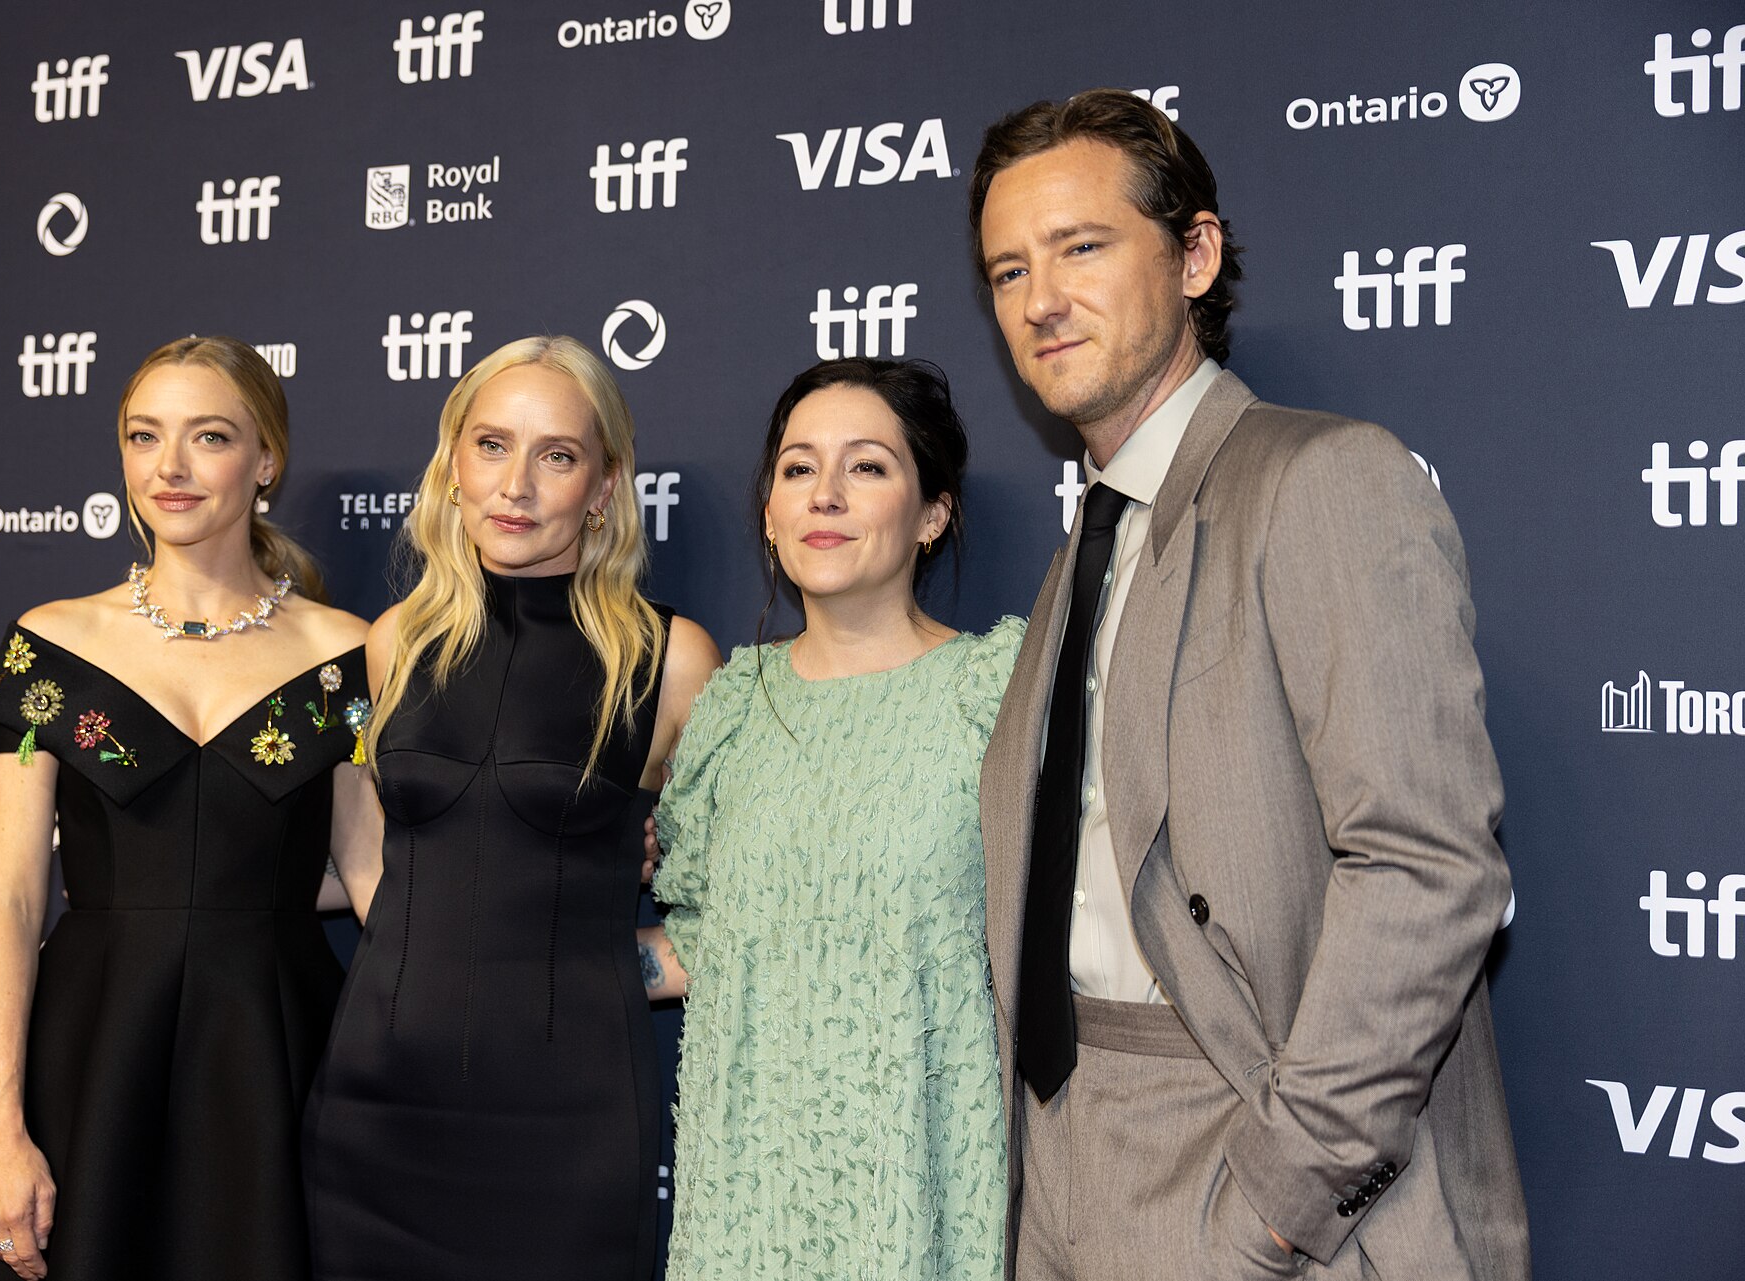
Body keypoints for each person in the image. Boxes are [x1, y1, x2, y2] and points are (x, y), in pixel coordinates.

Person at [969, 88, 1530, 1280]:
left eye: (1082, 247)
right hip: (1063, 1159)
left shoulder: (1326, 480)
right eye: (1008, 271)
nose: (1042, 300)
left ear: (1195, 255)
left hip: (1258, 1166)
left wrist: (1280, 1203)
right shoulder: (1084, 555)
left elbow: (1428, 869)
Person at [0, 336, 376, 1281]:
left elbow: (371, 874)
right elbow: (10, 900)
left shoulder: (345, 655)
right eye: (146, 437)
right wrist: (2, 1128)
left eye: (209, 436)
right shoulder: (48, 647)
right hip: (93, 1053)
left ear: (267, 460)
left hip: (273, 1055)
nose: (170, 468)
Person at [301, 336, 718, 1281]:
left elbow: (740, 898)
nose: (516, 484)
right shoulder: (393, 643)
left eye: (557, 455)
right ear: (452, 463)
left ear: (605, 486)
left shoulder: (669, 660)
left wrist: (621, 968)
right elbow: (375, 861)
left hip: (570, 1117)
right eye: (491, 445)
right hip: (377, 1103)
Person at [642, 357, 1020, 1280]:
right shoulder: (731, 706)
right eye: (800, 468)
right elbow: (697, 944)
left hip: (927, 1185)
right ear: (769, 513)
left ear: (933, 514)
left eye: (869, 467)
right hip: (746, 1194)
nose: (827, 495)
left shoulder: (996, 692)